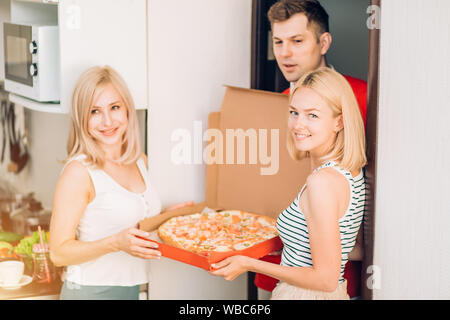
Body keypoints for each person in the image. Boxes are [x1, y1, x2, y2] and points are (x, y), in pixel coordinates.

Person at [211, 67, 366, 300]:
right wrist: (292, 245)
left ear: (339, 122)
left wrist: (250, 263)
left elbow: (326, 279)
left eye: (312, 115)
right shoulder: (350, 172)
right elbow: (351, 249)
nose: (298, 125)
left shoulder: (321, 183)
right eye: (294, 112)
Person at [254, 0, 367, 298]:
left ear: (324, 42)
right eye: (278, 41)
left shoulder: (364, 98)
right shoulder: (273, 104)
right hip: (281, 271)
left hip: (325, 282)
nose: (285, 52)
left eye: (297, 40)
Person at [49, 65, 192, 300]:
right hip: (90, 292)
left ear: (127, 109)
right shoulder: (79, 172)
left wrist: (166, 217)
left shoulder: (139, 161)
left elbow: (131, 225)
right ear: (82, 118)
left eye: (114, 107)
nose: (107, 121)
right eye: (94, 111)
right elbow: (59, 253)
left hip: (130, 290)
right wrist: (115, 243)